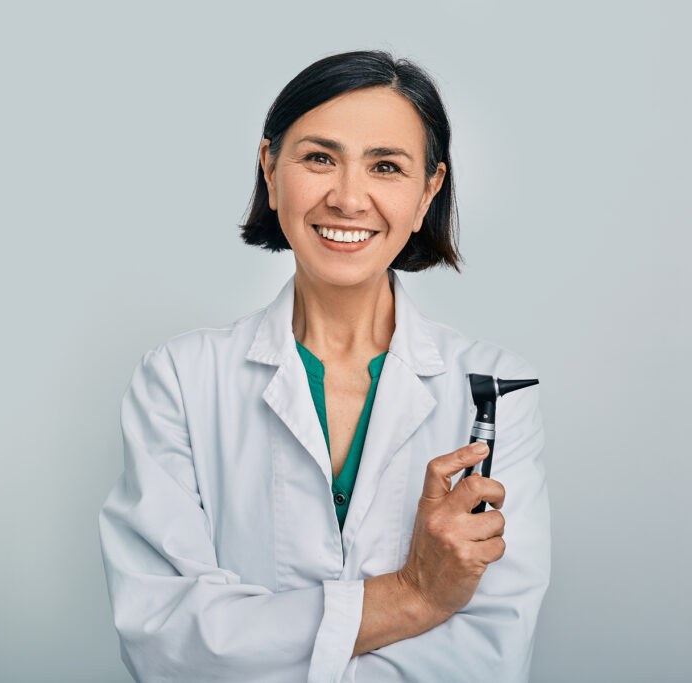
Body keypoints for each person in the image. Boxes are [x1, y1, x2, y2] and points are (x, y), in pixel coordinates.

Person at [98, 50, 550, 683]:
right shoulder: (178, 379)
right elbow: (168, 639)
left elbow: (488, 649)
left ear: (428, 192)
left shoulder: (494, 390)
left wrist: (266, 638)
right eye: (318, 158)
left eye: (386, 166)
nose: (347, 198)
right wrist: (416, 595)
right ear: (271, 170)